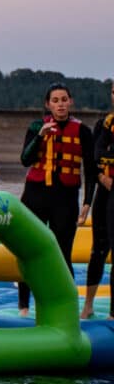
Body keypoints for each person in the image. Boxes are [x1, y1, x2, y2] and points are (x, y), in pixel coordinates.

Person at [17, 82, 96, 316]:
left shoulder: (83, 131)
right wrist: (39, 137)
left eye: (64, 100)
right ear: (47, 104)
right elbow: (25, 159)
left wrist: (87, 203)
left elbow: (90, 171)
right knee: (29, 250)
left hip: (66, 199)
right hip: (35, 196)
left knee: (63, 254)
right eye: (55, 101)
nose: (60, 105)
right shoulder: (36, 126)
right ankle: (23, 306)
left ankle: (67, 307)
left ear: (70, 102)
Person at [84, 80, 114, 318]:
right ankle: (88, 305)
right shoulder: (103, 124)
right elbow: (94, 157)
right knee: (98, 250)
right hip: (105, 192)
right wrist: (102, 177)